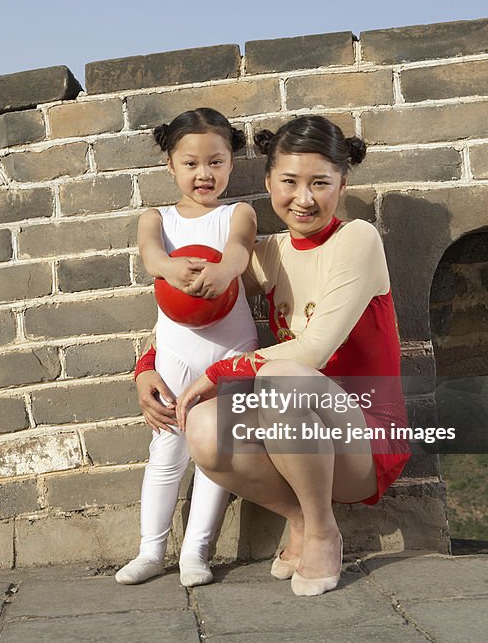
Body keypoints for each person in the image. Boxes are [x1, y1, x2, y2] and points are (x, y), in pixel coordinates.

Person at [174, 115, 411, 596]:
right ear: (268, 182)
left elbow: (315, 349)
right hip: (296, 440)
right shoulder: (270, 253)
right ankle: (302, 517)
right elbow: (195, 308)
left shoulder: (357, 239)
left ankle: (324, 532)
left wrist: (222, 372)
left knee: (283, 376)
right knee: (203, 427)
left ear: (343, 183)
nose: (303, 199)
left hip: (365, 438)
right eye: (289, 182)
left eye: (320, 183)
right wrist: (144, 367)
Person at [118, 108, 259, 587]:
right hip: (176, 352)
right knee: (167, 450)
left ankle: (197, 552)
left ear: (231, 164)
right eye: (192, 163)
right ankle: (150, 551)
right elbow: (151, 253)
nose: (205, 174)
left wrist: (226, 270)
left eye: (216, 162)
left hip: (230, 349)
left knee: (216, 451)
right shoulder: (156, 218)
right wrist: (169, 268)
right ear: (171, 167)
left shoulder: (237, 213)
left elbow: (239, 247)